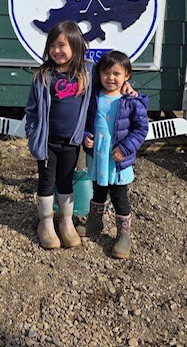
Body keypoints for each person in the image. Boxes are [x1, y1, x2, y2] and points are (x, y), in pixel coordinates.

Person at [25, 22, 136, 250]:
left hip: (72, 141)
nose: (57, 51)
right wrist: (32, 133)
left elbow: (110, 77)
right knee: (46, 182)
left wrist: (127, 85)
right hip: (47, 142)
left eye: (62, 45)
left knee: (66, 180)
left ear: (76, 46)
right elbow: (32, 109)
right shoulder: (43, 75)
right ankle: (45, 223)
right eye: (53, 46)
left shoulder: (87, 72)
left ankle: (66, 221)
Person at [77, 50, 149, 259]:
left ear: (127, 75)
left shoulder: (132, 101)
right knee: (98, 190)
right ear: (99, 75)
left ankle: (124, 235)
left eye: (117, 74)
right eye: (106, 73)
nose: (111, 78)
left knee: (119, 196)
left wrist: (125, 148)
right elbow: (83, 122)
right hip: (99, 156)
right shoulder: (93, 98)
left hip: (118, 160)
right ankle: (94, 223)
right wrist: (85, 136)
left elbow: (140, 129)